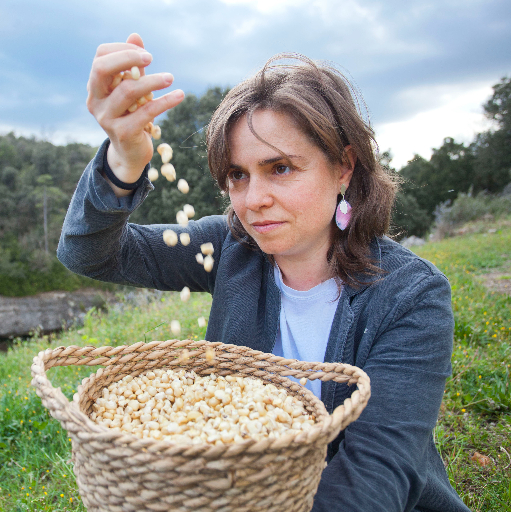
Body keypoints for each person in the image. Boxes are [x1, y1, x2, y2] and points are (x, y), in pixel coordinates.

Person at [57, 33, 471, 512]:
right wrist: (123, 161)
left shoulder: (411, 296)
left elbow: (373, 477)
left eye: (280, 168)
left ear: (343, 167)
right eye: (238, 175)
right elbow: (90, 253)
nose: (253, 201)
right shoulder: (231, 248)